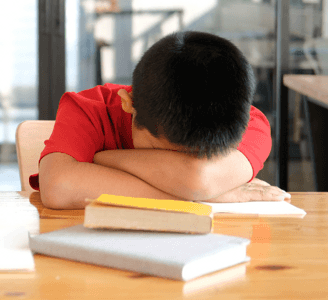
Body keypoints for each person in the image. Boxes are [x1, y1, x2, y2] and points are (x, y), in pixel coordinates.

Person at [34, 31, 289, 209]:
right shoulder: (89, 109)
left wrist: (105, 160)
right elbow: (57, 187)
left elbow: (197, 179)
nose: (175, 171)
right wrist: (206, 196)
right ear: (128, 103)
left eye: (190, 157)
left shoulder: (245, 120)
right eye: (166, 155)